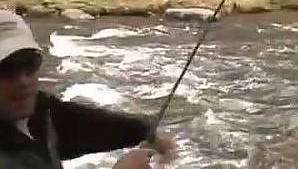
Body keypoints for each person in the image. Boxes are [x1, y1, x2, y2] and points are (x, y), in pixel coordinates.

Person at [0, 10, 175, 169]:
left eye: (29, 63)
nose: (22, 81)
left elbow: (85, 124)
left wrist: (145, 132)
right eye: (5, 69)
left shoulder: (41, 112)